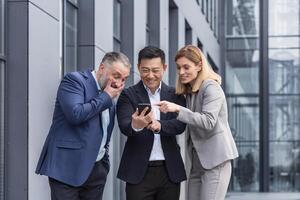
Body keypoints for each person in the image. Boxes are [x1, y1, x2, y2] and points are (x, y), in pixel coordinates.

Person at [35, 52, 131, 200]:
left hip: (97, 170)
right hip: (67, 168)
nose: (119, 84)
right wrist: (105, 97)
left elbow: (104, 129)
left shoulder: (109, 93)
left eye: (124, 79)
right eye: (116, 76)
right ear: (101, 67)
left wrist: (104, 161)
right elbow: (76, 114)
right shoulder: (75, 80)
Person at [156, 45, 238, 200]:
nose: (181, 72)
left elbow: (208, 121)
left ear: (199, 65)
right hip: (197, 163)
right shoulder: (191, 91)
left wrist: (178, 109)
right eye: (179, 68)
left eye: (186, 67)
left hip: (216, 162)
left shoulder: (211, 87)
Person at [116, 46, 186, 200]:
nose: (150, 75)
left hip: (169, 171)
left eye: (155, 70)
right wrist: (136, 124)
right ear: (138, 68)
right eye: (145, 70)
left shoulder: (176, 95)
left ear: (164, 68)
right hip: (138, 171)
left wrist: (159, 125)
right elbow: (124, 126)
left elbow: (180, 125)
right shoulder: (128, 95)